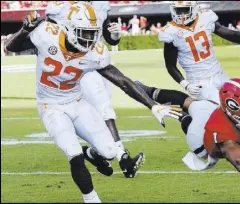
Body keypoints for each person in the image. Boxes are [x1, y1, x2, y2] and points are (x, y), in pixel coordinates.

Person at [5, 4, 181, 202]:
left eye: (92, 34)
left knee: (110, 151)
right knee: (73, 154)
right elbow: (10, 47)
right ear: (70, 28)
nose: (89, 40)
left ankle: (90, 152)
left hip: (77, 102)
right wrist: (25, 30)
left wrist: (152, 105)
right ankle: (92, 199)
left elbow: (122, 80)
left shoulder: (93, 52)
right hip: (51, 106)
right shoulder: (46, 34)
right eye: (84, 33)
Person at [135, 78, 240, 184]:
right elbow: (237, 160)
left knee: (205, 96)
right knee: (193, 107)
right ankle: (151, 93)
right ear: (231, 115)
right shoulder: (221, 129)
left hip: (225, 116)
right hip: (202, 140)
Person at [45, 1, 143, 178]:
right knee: (104, 109)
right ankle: (123, 157)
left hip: (98, 61)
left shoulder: (100, 4)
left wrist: (115, 35)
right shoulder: (62, 6)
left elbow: (108, 35)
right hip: (78, 64)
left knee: (101, 112)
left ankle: (94, 153)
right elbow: (47, 35)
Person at [158, 1, 240, 156]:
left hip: (219, 73)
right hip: (199, 81)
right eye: (178, 11)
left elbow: (229, 34)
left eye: (185, 10)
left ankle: (191, 123)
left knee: (238, 104)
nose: (182, 15)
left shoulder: (205, 18)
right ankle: (238, 144)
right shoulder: (170, 32)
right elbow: (170, 65)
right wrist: (185, 84)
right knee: (224, 108)